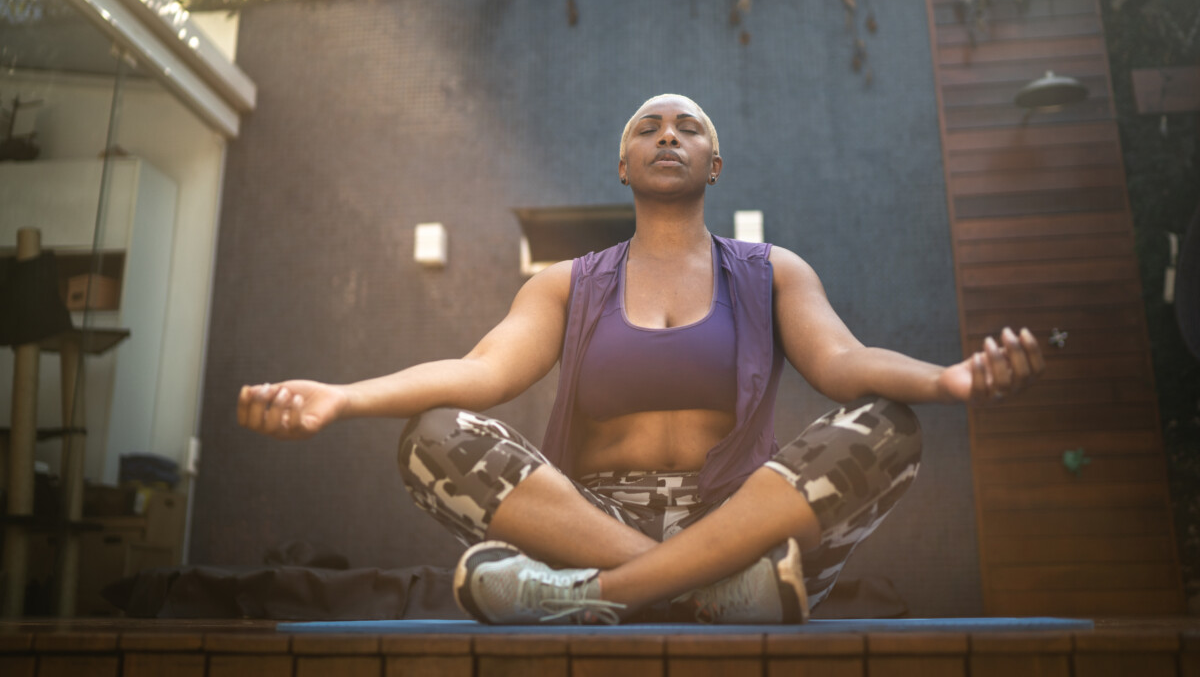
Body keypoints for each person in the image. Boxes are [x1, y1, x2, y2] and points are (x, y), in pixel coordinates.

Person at [237, 94, 1044, 625]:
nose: (668, 135)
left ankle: (591, 601)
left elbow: (845, 362)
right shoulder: (566, 285)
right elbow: (479, 373)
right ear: (624, 166)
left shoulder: (773, 272)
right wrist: (341, 396)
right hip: (590, 527)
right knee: (431, 434)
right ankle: (707, 592)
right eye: (648, 127)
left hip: (744, 522)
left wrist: (949, 380)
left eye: (689, 128)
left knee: (887, 427)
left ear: (714, 167)